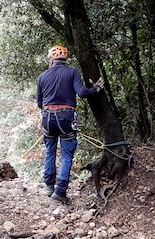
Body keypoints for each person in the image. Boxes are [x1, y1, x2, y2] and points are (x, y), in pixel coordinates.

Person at [36, 45, 104, 204]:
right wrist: (96, 88)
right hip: (66, 118)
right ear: (65, 59)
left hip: (47, 118)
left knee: (50, 151)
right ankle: (60, 191)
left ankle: (49, 186)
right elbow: (82, 93)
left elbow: (39, 102)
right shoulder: (71, 72)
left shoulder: (42, 76)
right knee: (66, 155)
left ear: (52, 60)